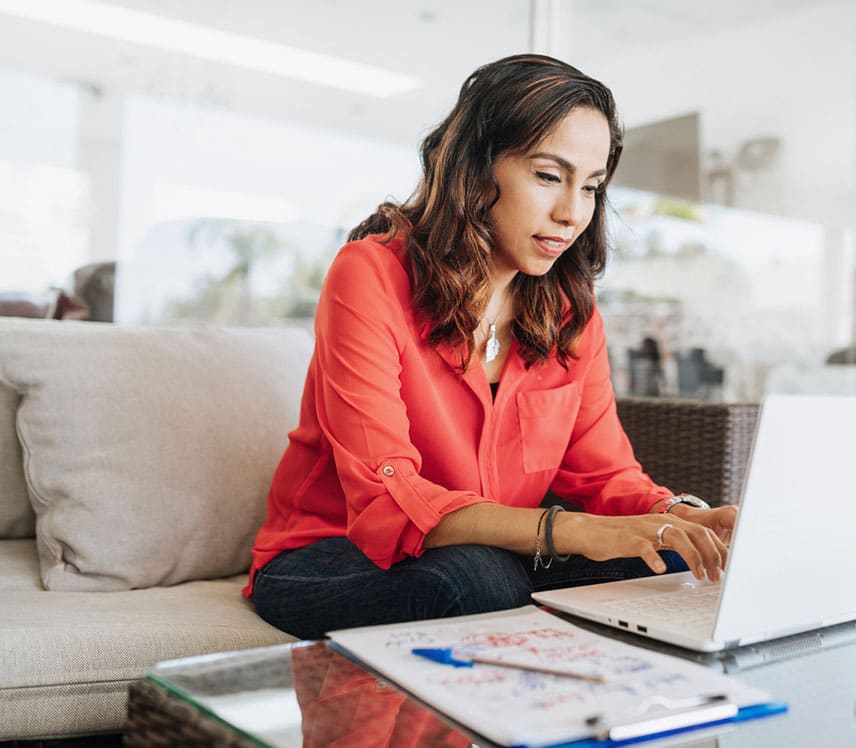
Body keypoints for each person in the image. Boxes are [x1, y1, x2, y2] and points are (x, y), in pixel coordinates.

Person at [246, 54, 737, 640]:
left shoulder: (569, 315)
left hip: (499, 553)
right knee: (481, 580)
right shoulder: (370, 275)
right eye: (548, 176)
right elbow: (388, 499)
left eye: (591, 187)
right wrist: (576, 534)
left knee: (679, 560)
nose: (572, 213)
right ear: (477, 169)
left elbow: (607, 477)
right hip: (329, 556)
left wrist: (680, 518)